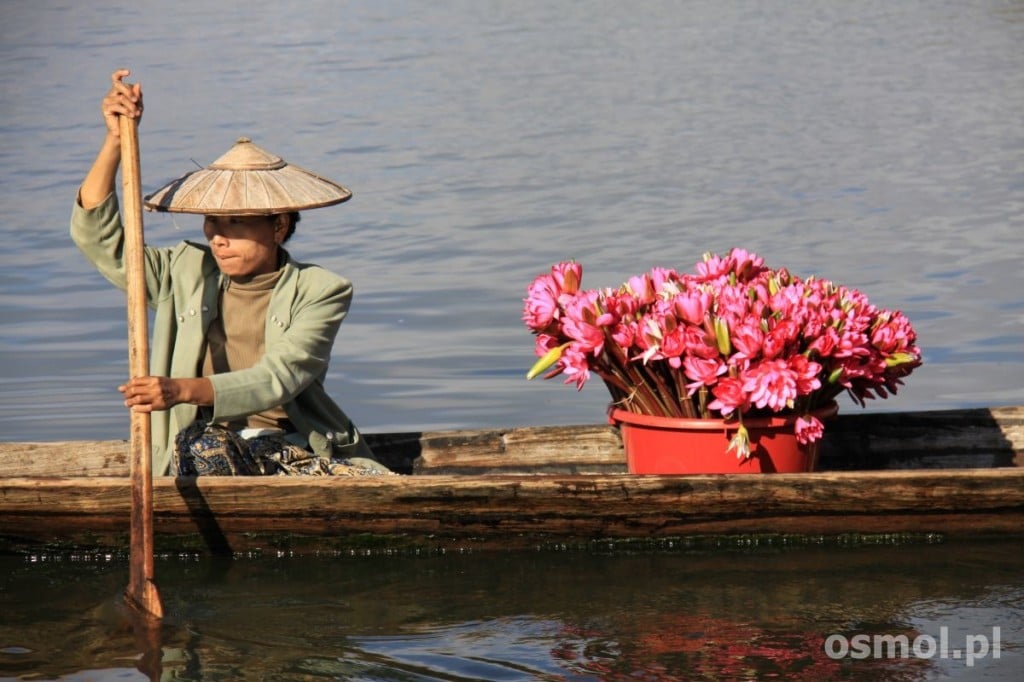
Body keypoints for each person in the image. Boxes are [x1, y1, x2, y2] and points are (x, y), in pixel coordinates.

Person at [72, 68, 384, 476]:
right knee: (203, 446)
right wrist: (115, 139)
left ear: (279, 227)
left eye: (236, 223)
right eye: (212, 222)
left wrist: (181, 389)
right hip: (199, 447)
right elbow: (99, 240)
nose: (218, 238)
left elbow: (280, 378)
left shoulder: (321, 290)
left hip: (292, 449)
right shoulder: (182, 272)